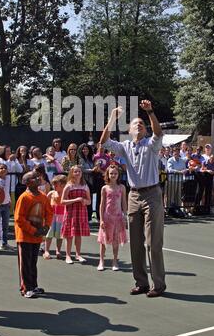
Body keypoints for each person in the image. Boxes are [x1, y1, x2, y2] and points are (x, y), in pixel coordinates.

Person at [100, 100, 166, 298]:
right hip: (134, 195)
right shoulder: (125, 146)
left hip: (152, 194)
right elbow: (103, 142)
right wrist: (112, 119)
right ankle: (141, 283)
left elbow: (159, 133)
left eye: (142, 124)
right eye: (136, 123)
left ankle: (158, 284)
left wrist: (150, 113)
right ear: (129, 130)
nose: (139, 125)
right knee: (135, 242)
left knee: (152, 242)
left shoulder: (152, 144)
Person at [14, 171, 53, 298]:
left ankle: (33, 285)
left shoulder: (43, 196)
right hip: (25, 236)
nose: (38, 178)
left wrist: (46, 226)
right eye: (34, 177)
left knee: (33, 262)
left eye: (38, 176)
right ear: (28, 182)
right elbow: (19, 219)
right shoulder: (24, 197)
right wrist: (33, 230)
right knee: (25, 263)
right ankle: (25, 288)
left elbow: (49, 213)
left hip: (37, 236)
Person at [97, 165, 127, 272]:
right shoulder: (104, 188)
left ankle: (115, 261)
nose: (113, 175)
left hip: (117, 217)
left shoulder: (122, 187)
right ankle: (101, 261)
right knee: (103, 241)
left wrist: (125, 215)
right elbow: (102, 204)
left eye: (115, 173)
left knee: (116, 241)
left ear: (118, 175)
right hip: (107, 217)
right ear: (108, 175)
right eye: (111, 173)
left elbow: (124, 202)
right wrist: (101, 219)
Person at [61, 166, 91, 264]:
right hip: (71, 213)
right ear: (72, 173)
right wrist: (76, 200)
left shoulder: (85, 186)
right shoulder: (68, 186)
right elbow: (62, 201)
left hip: (81, 212)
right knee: (69, 235)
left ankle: (78, 255)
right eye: (75, 172)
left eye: (79, 172)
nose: (78, 173)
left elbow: (89, 201)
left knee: (78, 234)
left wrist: (84, 202)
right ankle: (68, 256)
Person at [43, 174, 67, 260]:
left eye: (56, 185)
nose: (54, 186)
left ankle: (58, 251)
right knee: (49, 234)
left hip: (61, 217)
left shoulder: (65, 194)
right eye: (53, 184)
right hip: (51, 217)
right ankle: (46, 251)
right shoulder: (51, 193)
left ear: (63, 185)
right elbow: (45, 204)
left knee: (59, 235)